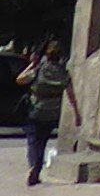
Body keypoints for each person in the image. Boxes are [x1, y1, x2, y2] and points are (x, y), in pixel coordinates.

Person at [16, 39, 68, 187]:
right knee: (43, 142)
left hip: (36, 109)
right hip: (52, 111)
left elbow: (19, 79)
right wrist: (77, 114)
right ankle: (37, 171)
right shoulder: (63, 72)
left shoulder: (39, 69)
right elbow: (70, 94)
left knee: (33, 140)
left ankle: (33, 166)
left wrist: (32, 64)